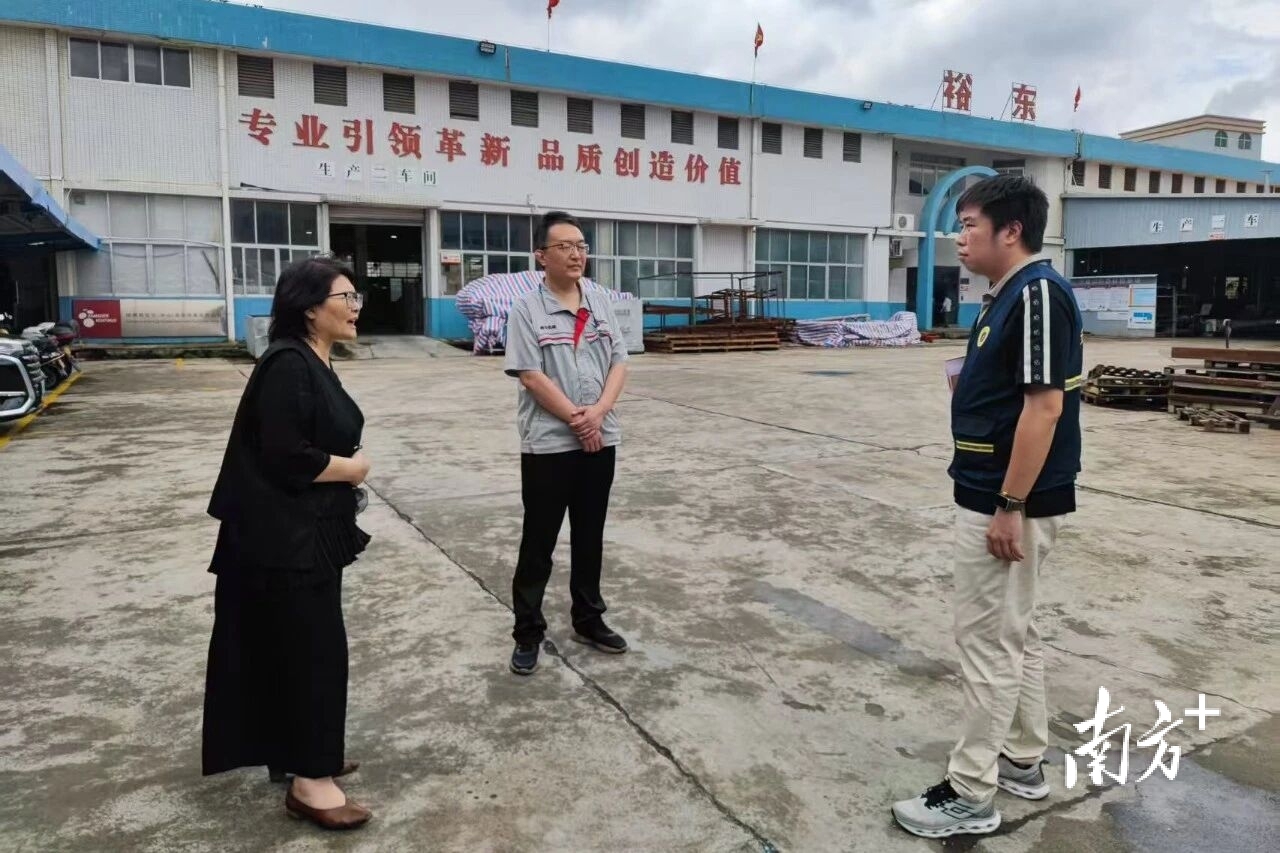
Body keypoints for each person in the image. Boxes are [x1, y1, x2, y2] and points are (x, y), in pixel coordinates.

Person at [892, 175, 1084, 839]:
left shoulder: (1035, 294)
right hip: (997, 492)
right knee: (1014, 634)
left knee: (987, 644)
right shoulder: (1007, 295)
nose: (959, 237)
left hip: (1007, 502)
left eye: (969, 223)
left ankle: (971, 792)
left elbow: (1045, 407)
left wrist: (1010, 504)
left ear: (1011, 229)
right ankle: (1022, 759)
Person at [203, 256, 374, 831]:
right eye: (345, 297)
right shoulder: (287, 364)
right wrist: (351, 469)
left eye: (355, 297)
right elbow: (284, 454)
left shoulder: (312, 359)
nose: (355, 308)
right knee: (311, 653)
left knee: (302, 649)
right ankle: (309, 781)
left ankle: (305, 752)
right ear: (309, 308)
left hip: (304, 534)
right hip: (283, 542)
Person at [503, 210, 630, 676]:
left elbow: (619, 362)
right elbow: (531, 375)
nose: (577, 254)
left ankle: (588, 618)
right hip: (549, 445)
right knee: (539, 539)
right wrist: (579, 421)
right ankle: (527, 632)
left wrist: (598, 414)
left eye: (581, 245)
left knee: (590, 534)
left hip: (600, 438)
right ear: (542, 256)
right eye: (565, 246)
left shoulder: (600, 301)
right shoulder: (526, 310)